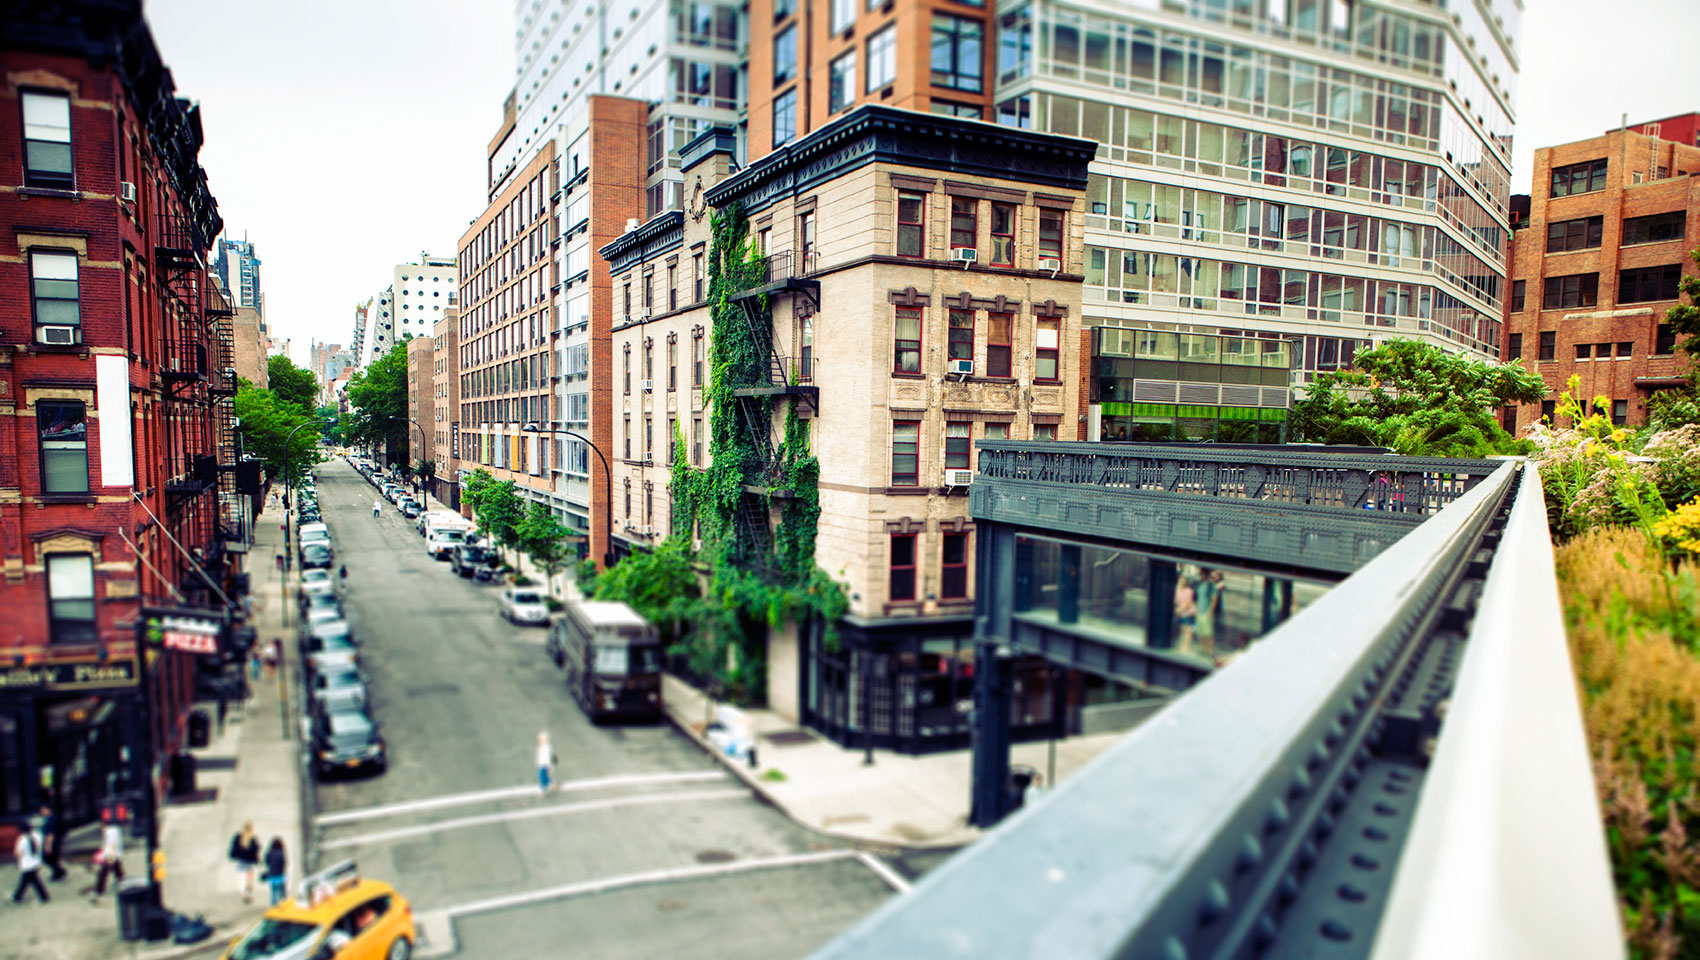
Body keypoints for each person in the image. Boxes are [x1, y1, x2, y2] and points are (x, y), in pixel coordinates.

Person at [11, 820, 49, 904]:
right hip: (36, 861)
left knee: (32, 881)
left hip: (27, 865)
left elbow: (17, 854)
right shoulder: (38, 835)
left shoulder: (22, 840)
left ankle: (43, 898)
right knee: (27, 881)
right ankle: (17, 896)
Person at [91, 814, 125, 900]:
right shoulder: (114, 830)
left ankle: (98, 890)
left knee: (103, 873)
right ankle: (122, 884)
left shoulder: (110, 832)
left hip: (111, 855)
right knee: (118, 871)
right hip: (114, 855)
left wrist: (110, 858)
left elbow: (112, 845)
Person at [229, 821, 260, 904]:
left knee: (241, 878)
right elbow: (256, 851)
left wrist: (233, 855)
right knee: (249, 879)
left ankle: (243, 894)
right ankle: (249, 893)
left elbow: (233, 848)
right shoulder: (252, 839)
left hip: (241, 861)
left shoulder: (238, 837)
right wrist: (257, 860)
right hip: (249, 862)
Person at [37, 804, 66, 882]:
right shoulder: (49, 818)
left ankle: (59, 872)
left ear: (48, 809)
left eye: (43, 810)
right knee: (53, 859)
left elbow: (51, 834)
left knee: (48, 858)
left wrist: (48, 846)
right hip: (54, 842)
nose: (42, 812)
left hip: (53, 842)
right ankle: (58, 872)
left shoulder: (52, 819)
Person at [263, 837, 288, 906]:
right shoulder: (281, 854)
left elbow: (267, 863)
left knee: (273, 892)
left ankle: (273, 906)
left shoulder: (269, 853)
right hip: (280, 875)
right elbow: (284, 864)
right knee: (282, 892)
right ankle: (283, 905)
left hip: (272, 875)